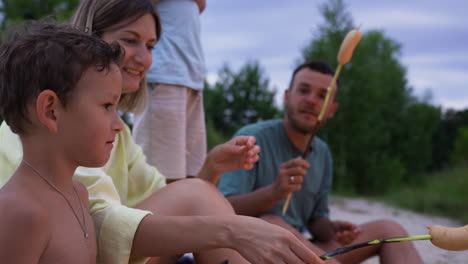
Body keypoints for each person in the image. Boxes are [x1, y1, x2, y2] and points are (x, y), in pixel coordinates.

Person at [0, 1, 324, 264]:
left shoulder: (112, 142)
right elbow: (100, 222)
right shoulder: (30, 163)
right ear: (90, 38)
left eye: (152, 45)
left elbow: (167, 198)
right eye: (129, 41)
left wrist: (211, 169)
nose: (144, 58)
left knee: (224, 205)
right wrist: (231, 231)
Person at [217, 60, 424, 264]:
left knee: (389, 230)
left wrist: (333, 230)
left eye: (322, 96)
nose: (312, 101)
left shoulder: (322, 153)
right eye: (304, 90)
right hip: (252, 251)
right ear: (287, 97)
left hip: (302, 250)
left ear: (331, 110)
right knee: (270, 222)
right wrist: (274, 192)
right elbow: (223, 211)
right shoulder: (252, 139)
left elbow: (316, 222)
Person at [0, 21, 124, 263]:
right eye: (107, 105)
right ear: (51, 111)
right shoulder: (20, 213)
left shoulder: (79, 194)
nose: (119, 124)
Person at [133, 0, 208, 183]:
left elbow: (201, 5)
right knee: (160, 178)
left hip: (192, 78)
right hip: (163, 76)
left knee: (194, 175)